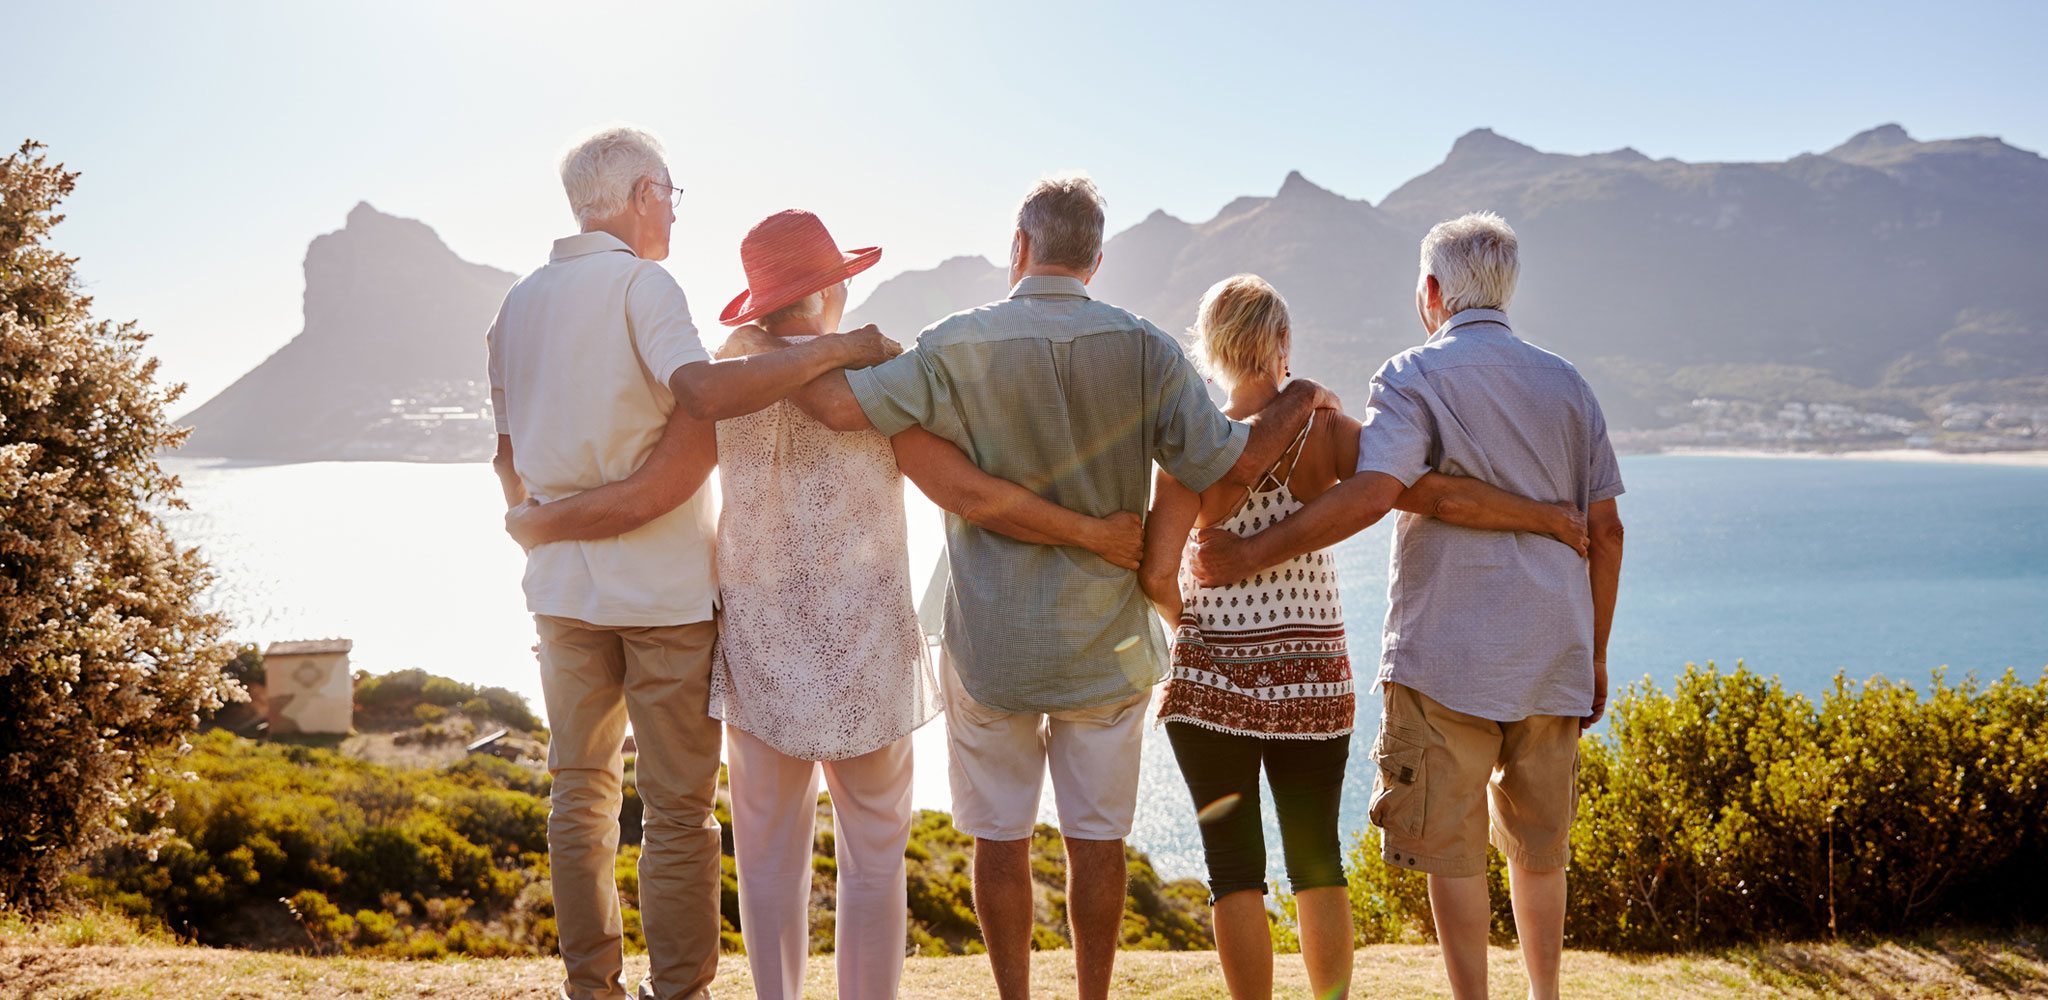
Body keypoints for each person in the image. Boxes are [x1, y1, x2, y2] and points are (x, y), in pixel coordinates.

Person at [507, 209, 1142, 1000]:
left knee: (770, 864)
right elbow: (961, 485)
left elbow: (659, 490)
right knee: (875, 861)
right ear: (834, 286)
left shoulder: (726, 376)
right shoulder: (878, 380)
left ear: (762, 301)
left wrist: (542, 518)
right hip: (867, 651)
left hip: (763, 652)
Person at [778, 174, 1336, 1000]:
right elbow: (1228, 466)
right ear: (1097, 259)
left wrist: (820, 343)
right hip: (1105, 646)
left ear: (1019, 246)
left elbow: (832, 409)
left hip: (989, 642)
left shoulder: (955, 344)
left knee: (999, 842)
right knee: (1097, 841)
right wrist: (1294, 401)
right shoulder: (1148, 348)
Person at [486, 126, 902, 1000]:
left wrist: (539, 521)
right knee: (677, 811)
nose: (674, 208)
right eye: (670, 191)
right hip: (661, 595)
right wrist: (836, 347)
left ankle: (592, 987)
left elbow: (507, 458)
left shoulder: (515, 306)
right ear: (642, 195)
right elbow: (701, 401)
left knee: (578, 797)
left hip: (560, 591)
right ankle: (681, 991)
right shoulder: (644, 284)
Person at [1190, 214, 1626, 1000]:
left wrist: (1251, 554)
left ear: (1431, 292)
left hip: (1442, 655)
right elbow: (1608, 529)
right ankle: (1547, 995)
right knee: (1539, 849)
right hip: (1555, 649)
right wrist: (1593, 651)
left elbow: (1383, 492)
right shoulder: (1570, 384)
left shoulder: (1411, 375)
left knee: (1452, 851)